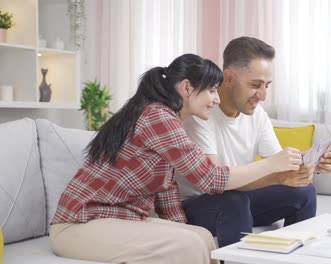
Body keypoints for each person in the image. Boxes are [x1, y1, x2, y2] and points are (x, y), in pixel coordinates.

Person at [49, 53, 303, 264]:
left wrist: (184, 229)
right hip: (80, 223)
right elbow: (210, 179)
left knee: (200, 237)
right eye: (212, 90)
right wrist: (271, 163)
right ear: (187, 88)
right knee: (190, 244)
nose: (216, 98)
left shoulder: (168, 121)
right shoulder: (157, 116)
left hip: (120, 218)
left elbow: (167, 194)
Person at [177, 37, 331, 247]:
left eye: (267, 86)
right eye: (255, 85)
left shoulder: (257, 115)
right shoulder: (202, 112)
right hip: (199, 204)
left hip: (236, 198)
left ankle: (294, 259)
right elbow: (215, 184)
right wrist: (278, 176)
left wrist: (309, 165)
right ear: (229, 78)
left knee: (304, 192)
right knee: (234, 202)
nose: (262, 95)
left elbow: (280, 167)